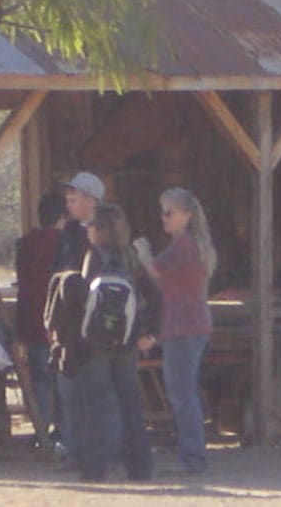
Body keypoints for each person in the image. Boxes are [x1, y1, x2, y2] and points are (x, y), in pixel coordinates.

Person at [134, 187, 217, 476]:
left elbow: (153, 271)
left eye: (169, 212)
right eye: (163, 212)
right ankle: (192, 454)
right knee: (184, 392)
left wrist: (141, 250)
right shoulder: (192, 245)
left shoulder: (183, 245)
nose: (164, 218)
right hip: (188, 325)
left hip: (184, 327)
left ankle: (193, 457)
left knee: (182, 394)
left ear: (187, 215)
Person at [78, 202, 161, 482]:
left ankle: (95, 468)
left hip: (98, 342)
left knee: (96, 404)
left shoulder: (93, 257)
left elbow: (83, 299)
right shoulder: (132, 256)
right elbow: (155, 295)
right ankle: (140, 467)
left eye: (90, 225)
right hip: (128, 339)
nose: (87, 230)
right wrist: (150, 332)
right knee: (130, 403)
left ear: (99, 230)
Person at [49, 171, 106, 469]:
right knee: (70, 388)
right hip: (70, 322)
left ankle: (99, 451)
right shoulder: (68, 235)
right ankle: (75, 450)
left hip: (97, 324)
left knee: (97, 390)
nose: (68, 205)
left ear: (90, 200)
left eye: (73, 199)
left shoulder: (108, 234)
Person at [15, 191, 66, 446]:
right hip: (58, 324)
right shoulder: (65, 243)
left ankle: (42, 433)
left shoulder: (25, 244)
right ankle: (65, 435)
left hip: (33, 322)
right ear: (63, 216)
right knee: (63, 381)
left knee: (40, 382)